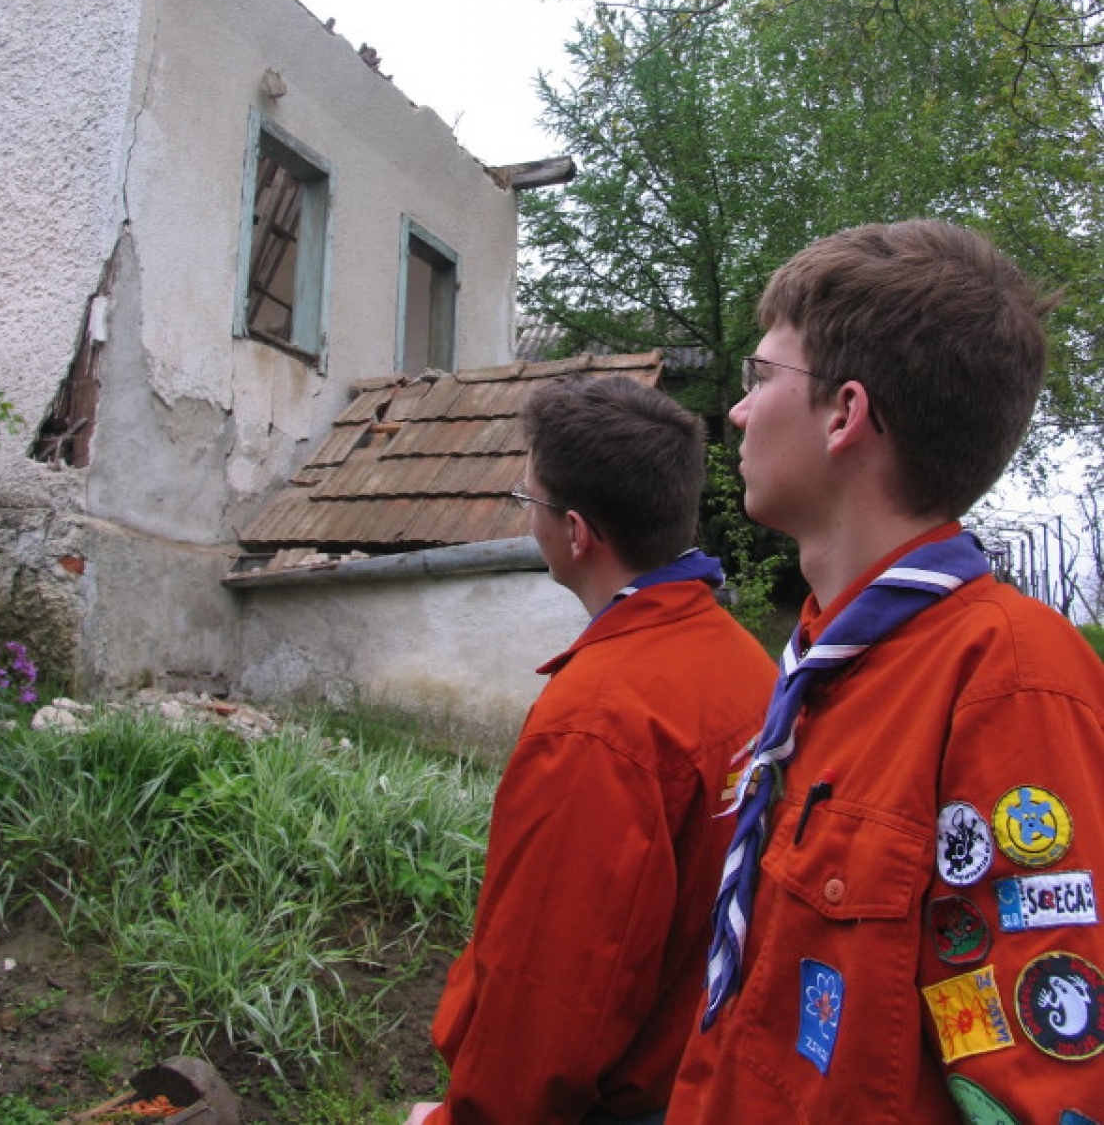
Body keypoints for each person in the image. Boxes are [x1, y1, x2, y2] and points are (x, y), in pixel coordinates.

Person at [666, 220, 1104, 1124]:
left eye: (760, 378)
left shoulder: (1007, 682)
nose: (739, 412)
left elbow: (1044, 1087)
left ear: (843, 414)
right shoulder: (822, 668)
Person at [405, 374, 776, 1125]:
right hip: (714, 1078)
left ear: (575, 533)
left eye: (527, 502)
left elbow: (547, 992)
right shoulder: (747, 664)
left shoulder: (598, 723)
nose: (526, 518)